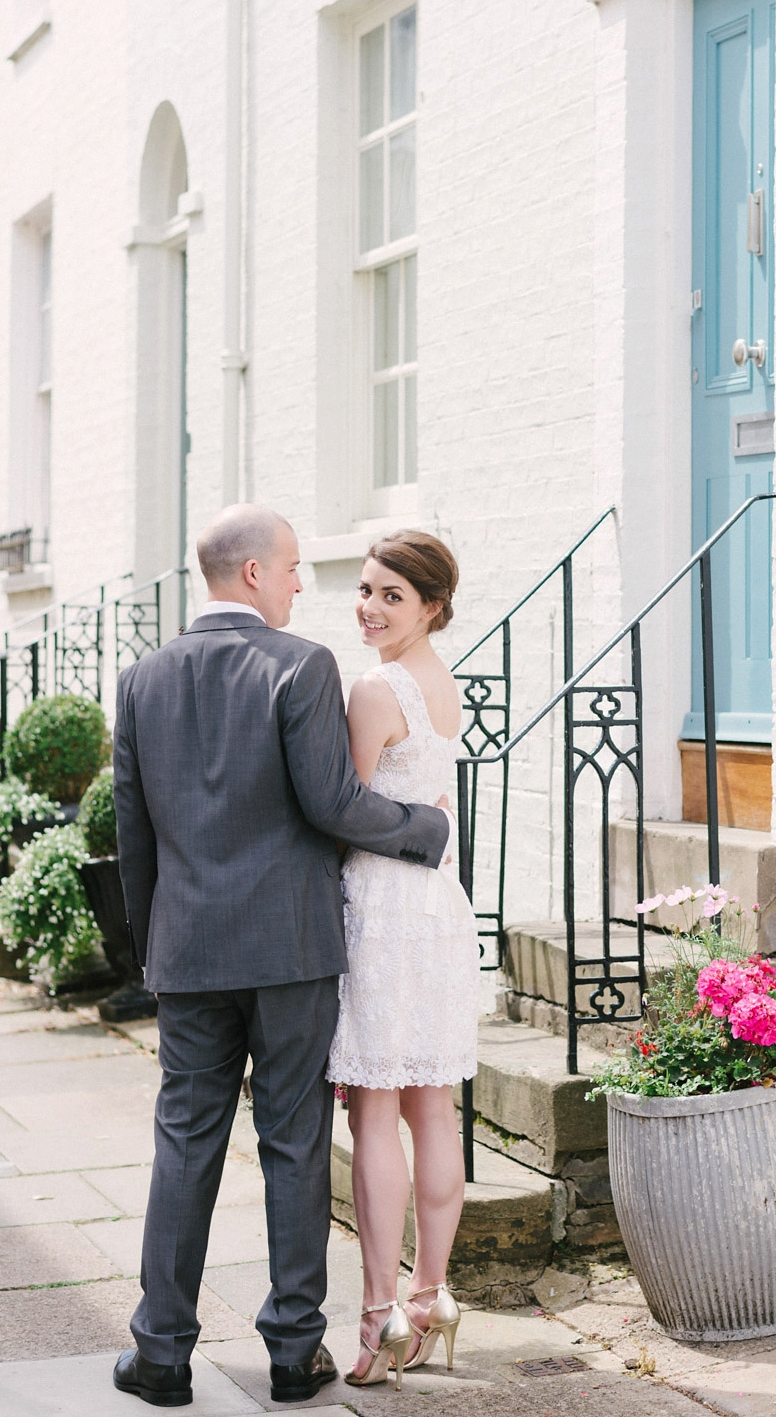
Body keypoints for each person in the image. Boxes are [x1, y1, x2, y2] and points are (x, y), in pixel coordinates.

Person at [111, 505, 453, 1409]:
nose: (306, 582)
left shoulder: (143, 677)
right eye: (296, 566)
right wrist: (426, 828)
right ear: (255, 573)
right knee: (294, 1142)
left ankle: (160, 1353)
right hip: (293, 950)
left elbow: (132, 836)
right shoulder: (300, 667)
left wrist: (156, 952)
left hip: (188, 953)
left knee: (185, 1140)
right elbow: (333, 803)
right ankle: (295, 1351)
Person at [328, 530, 480, 1389]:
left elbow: (343, 809)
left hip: (383, 910)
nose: (370, 608)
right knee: (435, 1109)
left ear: (431, 607)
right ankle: (433, 1297)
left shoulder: (376, 687)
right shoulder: (440, 682)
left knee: (374, 1115)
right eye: (364, 590)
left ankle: (380, 1314)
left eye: (392, 595)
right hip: (435, 906)